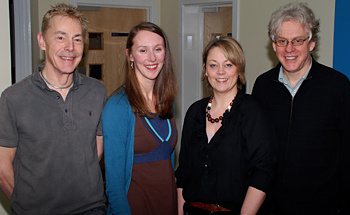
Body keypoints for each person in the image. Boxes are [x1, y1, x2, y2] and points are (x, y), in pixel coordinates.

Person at [0, 3, 107, 214]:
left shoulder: (97, 91)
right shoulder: (13, 97)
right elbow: (3, 167)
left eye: (77, 39)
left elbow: (96, 149)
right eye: (60, 37)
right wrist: (28, 207)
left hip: (91, 209)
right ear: (42, 41)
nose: (70, 47)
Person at [252, 2, 350, 215]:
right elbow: (255, 149)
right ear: (274, 44)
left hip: (323, 207)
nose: (289, 49)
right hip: (269, 207)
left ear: (312, 43)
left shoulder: (337, 86)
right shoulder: (262, 86)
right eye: (282, 41)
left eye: (298, 40)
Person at [176, 36, 276, 215]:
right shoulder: (195, 112)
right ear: (205, 70)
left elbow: (262, 173)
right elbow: (183, 173)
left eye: (228, 65)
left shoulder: (252, 111)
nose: (220, 72)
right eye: (213, 65)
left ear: (239, 69)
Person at [101, 22, 178, 215]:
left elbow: (167, 163)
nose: (152, 58)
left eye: (158, 49)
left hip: (166, 204)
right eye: (143, 50)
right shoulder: (118, 106)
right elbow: (114, 185)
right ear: (130, 56)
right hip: (133, 207)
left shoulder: (167, 101)